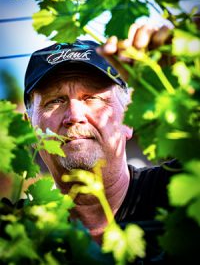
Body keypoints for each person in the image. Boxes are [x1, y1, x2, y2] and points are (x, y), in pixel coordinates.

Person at [24, 24, 175, 264]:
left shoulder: (180, 190)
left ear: (129, 116)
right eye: (55, 101)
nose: (74, 115)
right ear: (29, 126)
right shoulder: (20, 233)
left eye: (92, 97)